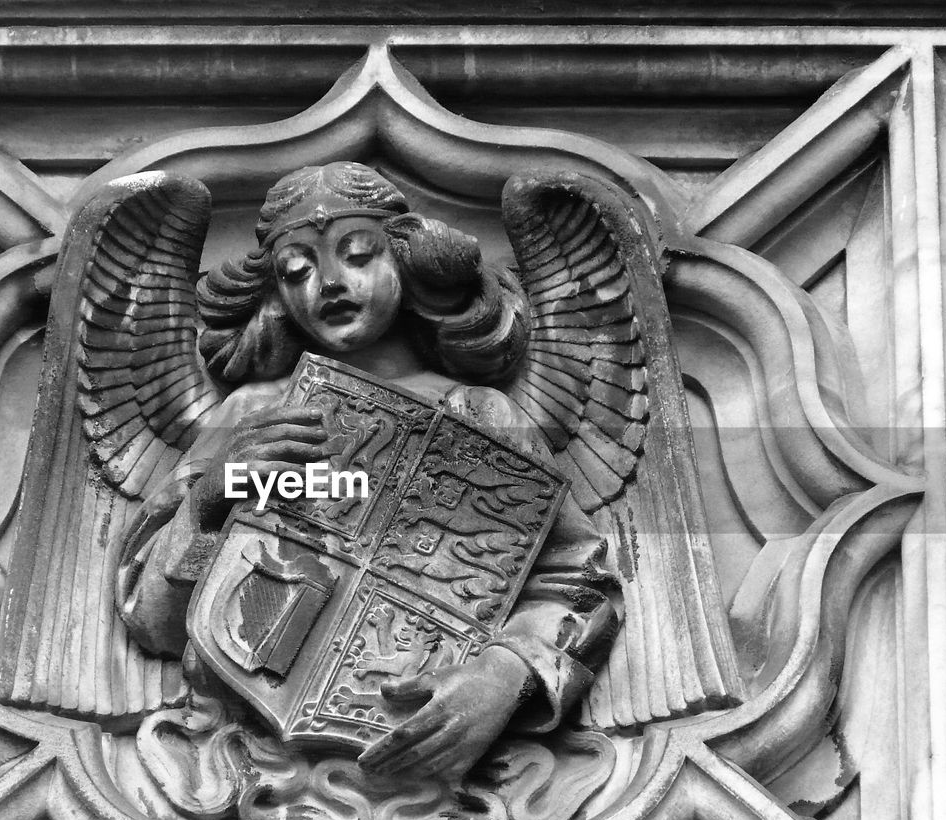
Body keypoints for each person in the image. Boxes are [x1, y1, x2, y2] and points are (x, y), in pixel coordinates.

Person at [118, 162, 616, 784]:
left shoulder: (480, 411)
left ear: (408, 261)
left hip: (444, 763)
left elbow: (577, 574)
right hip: (245, 760)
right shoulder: (254, 412)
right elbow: (154, 621)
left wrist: (506, 675)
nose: (327, 283)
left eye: (357, 256)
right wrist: (213, 496)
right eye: (295, 271)